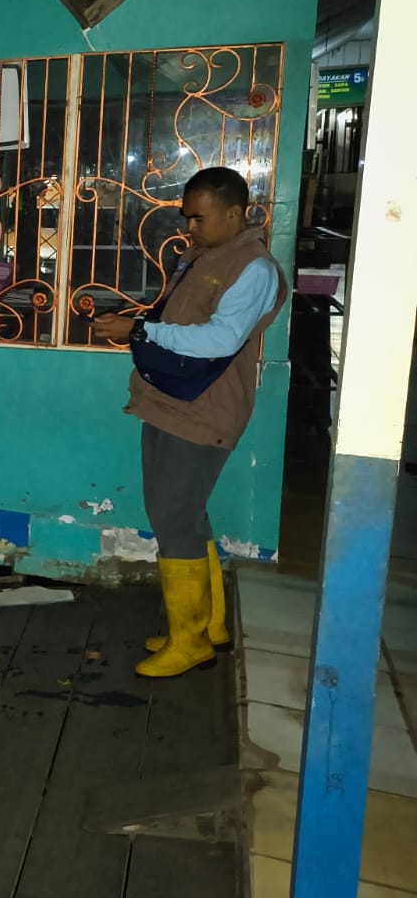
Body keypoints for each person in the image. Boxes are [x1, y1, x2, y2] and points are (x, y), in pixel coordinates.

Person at [92, 167, 287, 679]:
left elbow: (219, 340)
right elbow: (177, 325)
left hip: (206, 409)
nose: (189, 227)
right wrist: (141, 328)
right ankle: (208, 626)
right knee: (181, 513)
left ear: (234, 213)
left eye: (198, 218)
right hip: (169, 401)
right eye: (186, 217)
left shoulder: (255, 268)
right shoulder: (203, 256)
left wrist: (140, 329)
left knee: (174, 518)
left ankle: (189, 642)